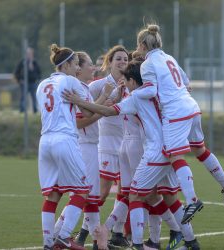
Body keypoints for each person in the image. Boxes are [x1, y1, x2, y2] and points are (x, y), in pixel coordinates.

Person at [63, 59, 199, 250]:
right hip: (159, 149)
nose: (124, 83)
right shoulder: (157, 92)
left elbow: (109, 111)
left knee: (137, 196)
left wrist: (79, 102)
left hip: (150, 150)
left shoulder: (136, 97)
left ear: (133, 81)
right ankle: (187, 240)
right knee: (157, 196)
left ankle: (137, 241)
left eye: (126, 80)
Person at [133, 24, 224, 224]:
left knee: (173, 155)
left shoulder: (147, 64)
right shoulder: (169, 57)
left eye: (138, 44)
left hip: (175, 112)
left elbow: (151, 91)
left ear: (143, 45)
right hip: (191, 106)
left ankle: (192, 200)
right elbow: (187, 83)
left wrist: (132, 95)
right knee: (199, 149)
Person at [52, 51, 114, 249]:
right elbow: (80, 122)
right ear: (78, 69)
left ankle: (96, 241)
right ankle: (60, 235)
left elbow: (89, 111)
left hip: (88, 147)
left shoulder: (84, 88)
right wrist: (103, 108)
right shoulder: (77, 88)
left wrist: (103, 102)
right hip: (83, 146)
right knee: (84, 194)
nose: (92, 68)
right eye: (87, 64)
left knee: (91, 197)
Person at [36, 44, 93, 250]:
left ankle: (48, 242)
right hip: (64, 139)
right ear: (66, 64)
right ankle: (64, 235)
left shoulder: (42, 85)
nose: (78, 68)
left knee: (53, 194)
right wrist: (106, 98)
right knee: (82, 191)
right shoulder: (70, 81)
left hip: (45, 142)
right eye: (76, 64)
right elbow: (87, 113)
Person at [88, 45, 131, 248]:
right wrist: (107, 97)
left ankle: (116, 232)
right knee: (102, 192)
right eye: (118, 59)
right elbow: (85, 106)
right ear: (109, 62)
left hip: (127, 145)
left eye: (125, 59)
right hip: (106, 144)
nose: (123, 62)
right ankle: (87, 232)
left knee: (125, 192)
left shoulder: (132, 85)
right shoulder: (99, 85)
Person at [14, 47, 41, 113]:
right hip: (24, 83)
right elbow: (16, 72)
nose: (29, 55)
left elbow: (39, 73)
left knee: (34, 97)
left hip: (33, 83)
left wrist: (37, 79)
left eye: (30, 53)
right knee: (23, 97)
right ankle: (22, 110)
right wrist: (19, 80)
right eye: (28, 53)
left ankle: (35, 110)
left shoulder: (34, 63)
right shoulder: (22, 62)